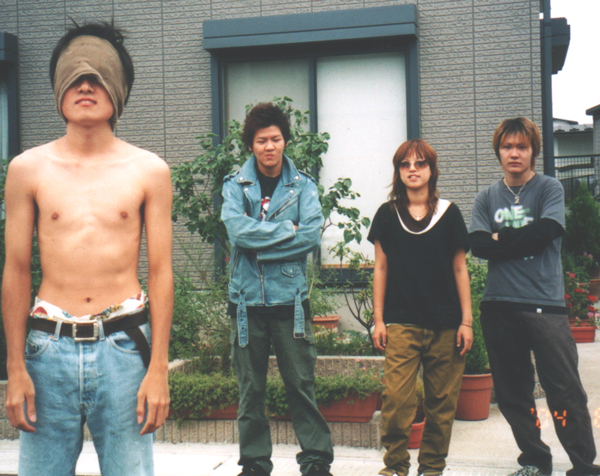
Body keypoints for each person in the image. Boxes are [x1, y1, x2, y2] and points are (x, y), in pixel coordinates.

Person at [2, 21, 173, 476]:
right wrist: (15, 367)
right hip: (47, 350)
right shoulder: (27, 169)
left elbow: (161, 272)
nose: (85, 86)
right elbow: (15, 270)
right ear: (58, 88)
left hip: (125, 349)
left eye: (97, 76)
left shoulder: (149, 171)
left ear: (118, 89)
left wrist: (158, 368)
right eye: (74, 76)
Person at [469, 117, 600, 476]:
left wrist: (500, 239)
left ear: (533, 151)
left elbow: (547, 232)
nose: (514, 153)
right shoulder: (486, 196)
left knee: (565, 390)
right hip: (498, 306)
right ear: (498, 151)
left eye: (522, 147)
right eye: (507, 146)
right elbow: (478, 245)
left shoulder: (549, 188)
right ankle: (535, 461)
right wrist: (518, 238)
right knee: (513, 393)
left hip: (545, 306)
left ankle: (583, 465)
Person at [221, 102, 334, 476]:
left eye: (275, 139)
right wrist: (287, 230)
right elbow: (237, 232)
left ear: (285, 141)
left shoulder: (303, 186)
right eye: (261, 140)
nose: (269, 146)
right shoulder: (235, 185)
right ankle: (255, 462)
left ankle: (316, 459)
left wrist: (259, 245)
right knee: (250, 388)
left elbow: (310, 238)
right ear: (250, 145)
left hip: (291, 302)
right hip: (245, 303)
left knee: (300, 384)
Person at [369, 139, 473, 476]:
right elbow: (380, 268)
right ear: (398, 171)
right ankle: (395, 467)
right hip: (401, 324)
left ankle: (432, 469)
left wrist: (467, 322)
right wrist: (378, 320)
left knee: (442, 406)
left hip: (446, 325)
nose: (412, 169)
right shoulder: (387, 215)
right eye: (405, 164)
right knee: (397, 401)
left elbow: (460, 268)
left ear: (432, 169)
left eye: (420, 163)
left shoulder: (450, 213)